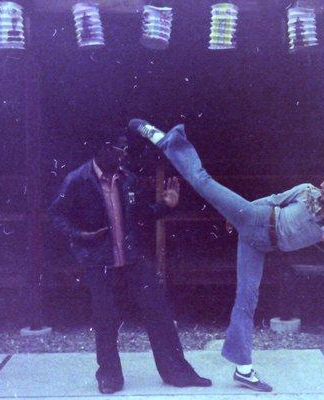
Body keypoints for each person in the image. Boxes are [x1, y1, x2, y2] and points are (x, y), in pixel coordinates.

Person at [129, 119, 324, 392]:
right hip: (254, 217)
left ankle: (243, 370)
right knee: (202, 181)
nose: (322, 184)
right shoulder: (307, 191)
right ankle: (167, 140)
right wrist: (238, 214)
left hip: (259, 245)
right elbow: (273, 199)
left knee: (247, 298)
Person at [48, 134, 211, 394]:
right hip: (99, 262)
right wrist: (80, 235)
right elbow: (56, 215)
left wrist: (166, 206)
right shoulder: (77, 180)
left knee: (159, 313)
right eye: (119, 149)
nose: (123, 154)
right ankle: (109, 377)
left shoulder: (127, 179)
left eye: (125, 149)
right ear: (103, 149)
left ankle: (177, 373)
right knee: (105, 320)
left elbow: (143, 214)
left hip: (133, 259)